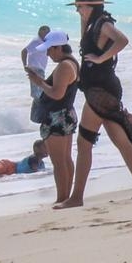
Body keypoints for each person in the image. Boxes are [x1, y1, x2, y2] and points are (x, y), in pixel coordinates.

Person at [66, 0, 132, 208]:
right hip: (98, 88)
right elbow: (85, 44)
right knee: (121, 142)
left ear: (91, 6)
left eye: (80, 7)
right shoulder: (92, 24)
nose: (78, 11)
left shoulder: (104, 24)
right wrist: (84, 21)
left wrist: (101, 59)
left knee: (84, 142)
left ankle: (77, 196)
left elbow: (122, 40)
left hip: (101, 90)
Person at [24, 30, 79, 206]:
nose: (47, 54)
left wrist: (38, 81)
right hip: (66, 114)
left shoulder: (64, 66)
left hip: (58, 116)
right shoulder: (72, 63)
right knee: (66, 158)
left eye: (50, 50)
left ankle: (62, 198)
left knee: (59, 162)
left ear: (58, 48)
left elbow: (57, 94)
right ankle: (66, 196)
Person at [21, 25, 51, 106]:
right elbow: (24, 51)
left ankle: (37, 113)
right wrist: (25, 65)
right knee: (38, 94)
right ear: (40, 32)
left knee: (40, 93)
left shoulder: (44, 42)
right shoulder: (36, 42)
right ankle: (38, 113)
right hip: (35, 69)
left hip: (40, 69)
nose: (48, 35)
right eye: (47, 33)